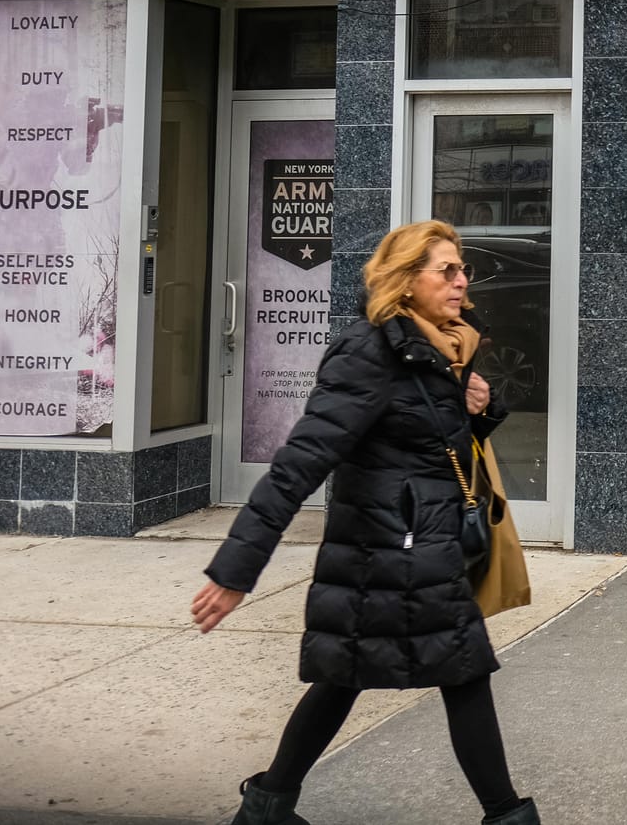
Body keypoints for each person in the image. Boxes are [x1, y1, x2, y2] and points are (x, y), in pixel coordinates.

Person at [190, 220, 539, 825]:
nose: (461, 281)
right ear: (405, 281)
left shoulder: (441, 349)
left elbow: (433, 446)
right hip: (389, 551)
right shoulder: (368, 354)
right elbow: (298, 465)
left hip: (419, 547)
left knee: (347, 674)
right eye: (446, 270)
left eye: (463, 270)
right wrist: (236, 570)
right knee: (459, 671)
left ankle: (267, 806)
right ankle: (506, 814)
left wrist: (479, 408)